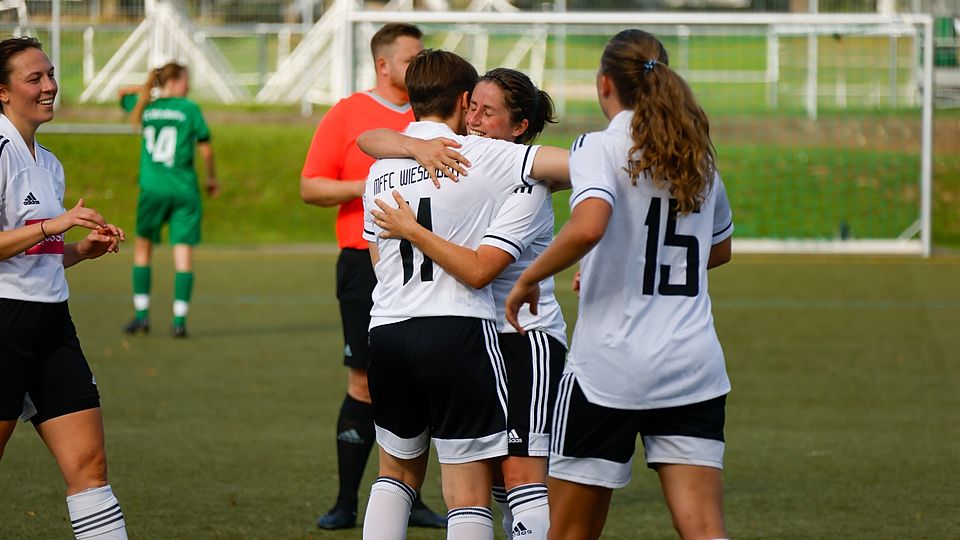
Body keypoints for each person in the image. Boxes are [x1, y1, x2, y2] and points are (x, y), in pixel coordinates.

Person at [504, 29, 735, 540]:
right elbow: (717, 250)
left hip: (608, 366)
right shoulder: (699, 156)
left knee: (568, 533)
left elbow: (590, 224)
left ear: (604, 83)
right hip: (691, 363)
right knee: (704, 530)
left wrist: (529, 278)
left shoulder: (598, 146)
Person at [359, 49, 569, 540]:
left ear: (519, 127)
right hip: (463, 333)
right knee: (473, 489)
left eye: (486, 110)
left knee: (492, 482)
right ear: (459, 99)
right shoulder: (477, 157)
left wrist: (412, 222)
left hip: (513, 338)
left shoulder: (384, 169)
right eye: (471, 106)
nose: (473, 118)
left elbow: (383, 259)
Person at [299, 22, 445, 530]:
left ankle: (413, 495)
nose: (421, 65)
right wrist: (375, 181)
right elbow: (310, 186)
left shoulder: (440, 114)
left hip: (435, 260)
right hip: (365, 260)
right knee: (363, 382)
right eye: (412, 58)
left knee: (422, 379)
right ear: (383, 64)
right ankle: (345, 501)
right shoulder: (348, 114)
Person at [0, 36, 129, 540]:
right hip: (4, 324)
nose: (50, 86)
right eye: (35, 78)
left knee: (90, 469)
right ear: (3, 92)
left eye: (50, 74)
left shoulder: (48, 162)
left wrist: (80, 251)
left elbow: (34, 255)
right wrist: (55, 226)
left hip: (52, 325)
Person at [119, 62, 218, 338]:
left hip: (152, 190)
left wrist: (149, 88)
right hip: (184, 191)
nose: (189, 86)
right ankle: (179, 321)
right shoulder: (189, 109)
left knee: (142, 252)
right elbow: (207, 150)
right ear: (175, 81)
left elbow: (121, 94)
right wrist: (211, 179)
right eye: (186, 80)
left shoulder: (146, 107)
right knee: (183, 255)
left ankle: (141, 316)